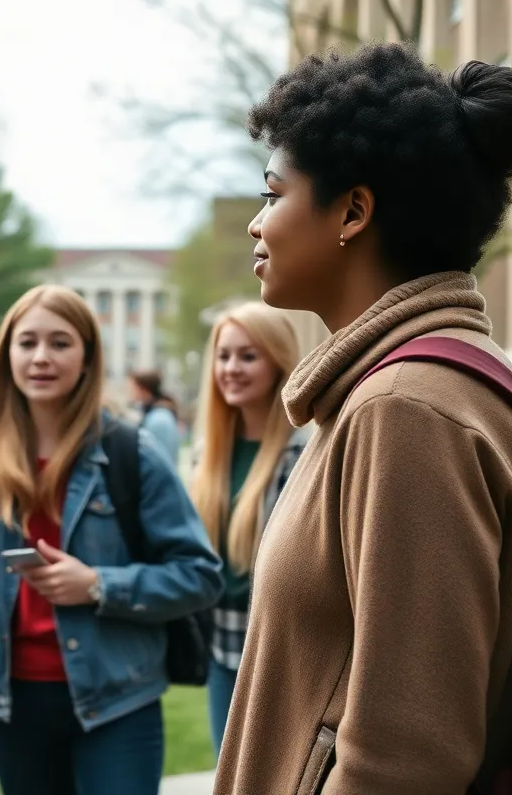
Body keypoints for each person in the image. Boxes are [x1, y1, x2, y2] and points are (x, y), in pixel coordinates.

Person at [214, 44, 512, 793]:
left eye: (273, 194)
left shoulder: (407, 412)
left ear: (353, 212)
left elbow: (406, 758)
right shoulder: (416, 390)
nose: (255, 224)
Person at [0, 284, 223, 795]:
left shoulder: (133, 453)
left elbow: (199, 575)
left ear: (88, 356)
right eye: (27, 343)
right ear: (7, 355)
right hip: (12, 703)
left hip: (117, 701)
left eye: (60, 342)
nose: (41, 357)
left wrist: (96, 584)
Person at [188, 302, 306, 755]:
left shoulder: (303, 455)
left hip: (283, 661)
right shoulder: (206, 455)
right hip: (222, 651)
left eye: (248, 356)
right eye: (223, 356)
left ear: (278, 362)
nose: (231, 369)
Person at [127, 369, 180, 466]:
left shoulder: (159, 419)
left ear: (143, 389)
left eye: (133, 388)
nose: (130, 392)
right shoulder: (155, 414)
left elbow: (159, 462)